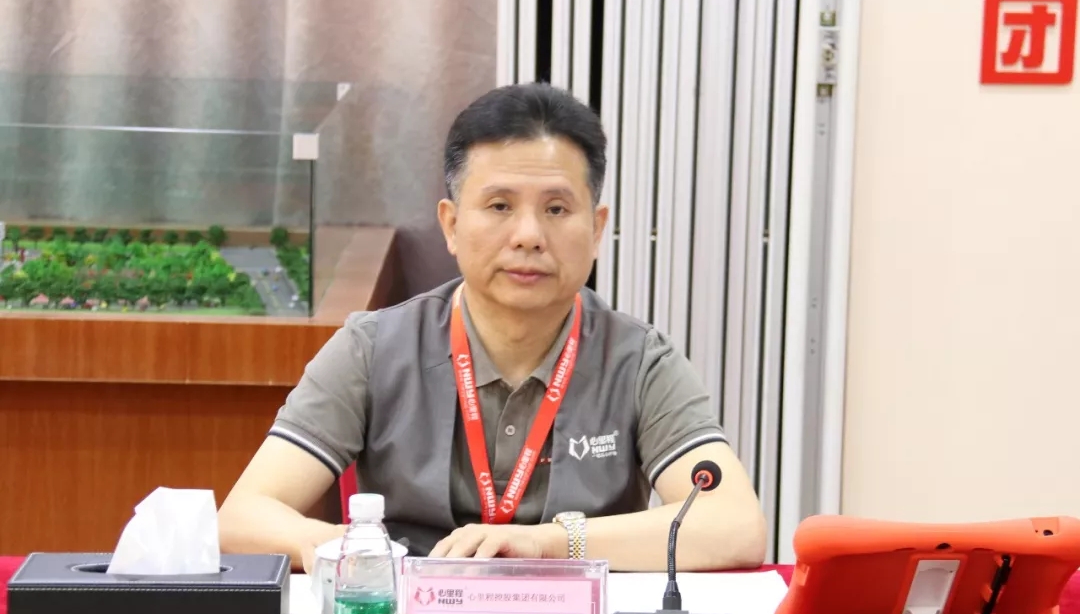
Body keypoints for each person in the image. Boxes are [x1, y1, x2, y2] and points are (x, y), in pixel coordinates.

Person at [218, 82, 767, 574]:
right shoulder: (373, 348)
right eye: (500, 205)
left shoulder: (639, 360)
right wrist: (361, 555)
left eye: (557, 209)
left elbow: (735, 526)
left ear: (597, 230)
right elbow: (242, 517)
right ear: (452, 225)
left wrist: (548, 544)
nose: (528, 235)